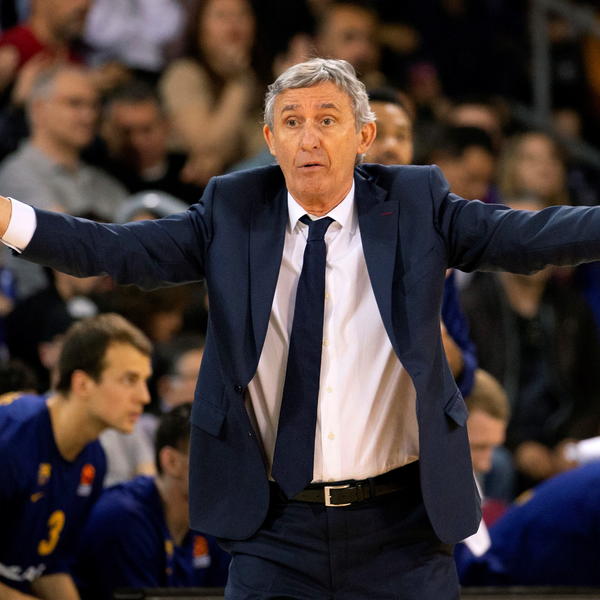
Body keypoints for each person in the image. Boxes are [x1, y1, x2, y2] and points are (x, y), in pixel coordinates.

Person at [3, 57, 600, 598]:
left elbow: (529, 238)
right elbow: (114, 250)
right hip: (274, 528)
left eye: (327, 120)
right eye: (291, 122)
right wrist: (7, 217)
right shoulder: (232, 210)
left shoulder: (418, 203)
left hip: (402, 529)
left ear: (363, 136)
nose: (308, 138)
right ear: (270, 139)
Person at [0, 313, 152, 600]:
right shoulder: (10, 439)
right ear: (82, 384)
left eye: (145, 381)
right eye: (129, 380)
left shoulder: (93, 460)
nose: (144, 396)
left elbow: (49, 565)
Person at [75, 403, 230, 599]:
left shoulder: (216, 522)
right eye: (215, 457)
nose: (230, 471)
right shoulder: (123, 518)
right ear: (171, 462)